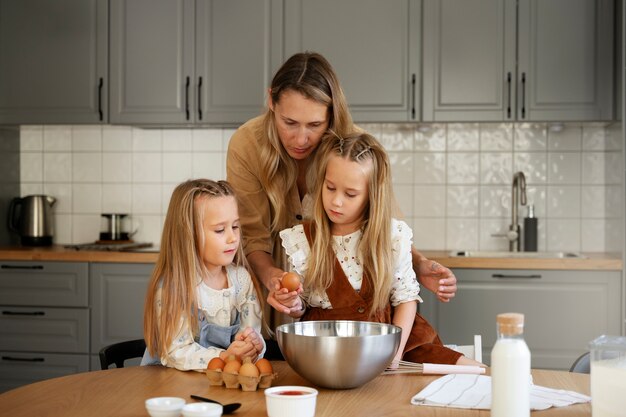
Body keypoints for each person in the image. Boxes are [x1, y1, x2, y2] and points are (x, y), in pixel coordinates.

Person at [226, 51, 457, 328]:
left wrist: (419, 264)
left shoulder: (354, 148)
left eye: (315, 125)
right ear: (271, 101)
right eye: (289, 123)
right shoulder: (247, 144)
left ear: (332, 114)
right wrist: (274, 277)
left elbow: (386, 224)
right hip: (281, 293)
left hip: (349, 296)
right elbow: (253, 236)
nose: (301, 139)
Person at [269, 132, 481, 366]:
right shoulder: (303, 240)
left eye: (350, 194)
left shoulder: (391, 237)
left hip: (394, 342)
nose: (336, 201)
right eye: (330, 188)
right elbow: (303, 308)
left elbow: (405, 299)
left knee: (474, 371)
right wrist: (291, 303)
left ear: (372, 196)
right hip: (329, 349)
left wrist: (394, 356)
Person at [143, 179, 265, 371]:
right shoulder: (175, 288)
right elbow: (176, 353)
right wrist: (226, 356)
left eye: (235, 226)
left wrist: (253, 345)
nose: (233, 238)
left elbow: (251, 336)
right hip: (171, 386)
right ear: (188, 234)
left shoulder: (241, 281)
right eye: (219, 230)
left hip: (219, 387)